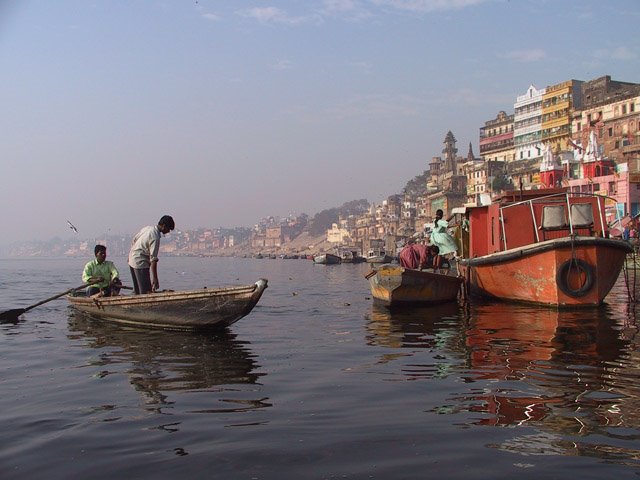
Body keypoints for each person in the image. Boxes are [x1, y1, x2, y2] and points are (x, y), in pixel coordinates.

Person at [128, 215, 175, 294]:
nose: (168, 232)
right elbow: (153, 259)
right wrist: (155, 278)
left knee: (137, 290)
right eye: (168, 229)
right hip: (140, 262)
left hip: (132, 258)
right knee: (146, 292)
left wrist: (131, 254)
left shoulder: (148, 228)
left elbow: (134, 240)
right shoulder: (155, 237)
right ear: (164, 226)